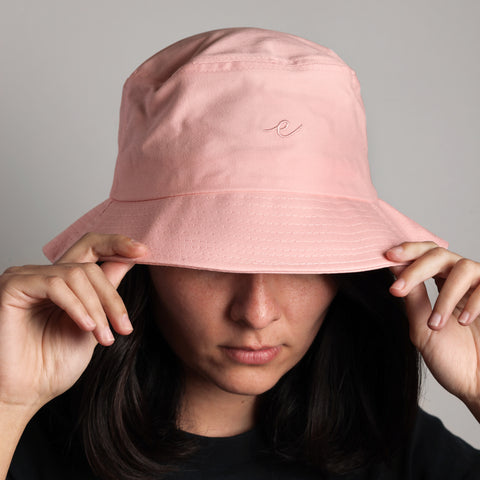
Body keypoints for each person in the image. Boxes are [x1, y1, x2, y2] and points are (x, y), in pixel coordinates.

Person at [1, 27, 480, 480]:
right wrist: (7, 404)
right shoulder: (24, 435)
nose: (256, 312)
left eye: (301, 261)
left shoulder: (391, 442)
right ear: (139, 264)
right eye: (210, 262)